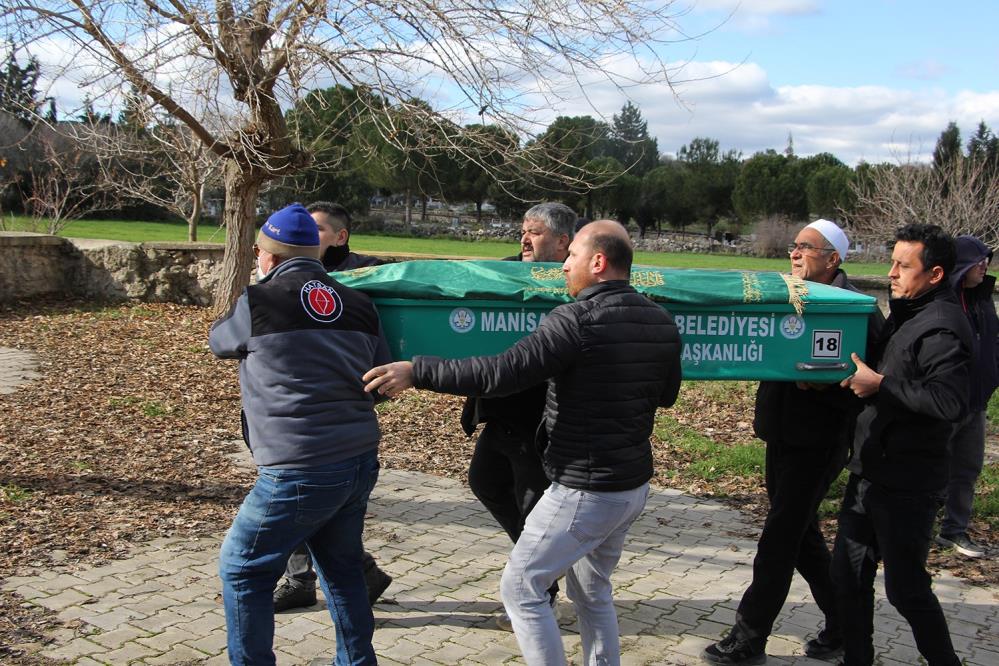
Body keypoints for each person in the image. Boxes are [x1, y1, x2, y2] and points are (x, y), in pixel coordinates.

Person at [363, 220, 683, 665]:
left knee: (521, 587)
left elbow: (502, 374)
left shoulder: (576, 319)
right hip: (631, 486)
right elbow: (665, 395)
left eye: (572, 257)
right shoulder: (661, 319)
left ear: (598, 262)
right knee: (593, 592)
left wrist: (418, 371)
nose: (565, 266)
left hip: (584, 488)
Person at [210, 203, 390, 665]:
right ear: (318, 250)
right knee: (343, 567)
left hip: (297, 466)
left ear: (264, 255)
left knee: (242, 568)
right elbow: (381, 382)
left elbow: (220, 343)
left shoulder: (259, 300)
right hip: (357, 458)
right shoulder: (358, 301)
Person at [703, 219, 884, 665]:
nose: (795, 254)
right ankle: (843, 625)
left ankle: (749, 638)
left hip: (819, 443)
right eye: (793, 247)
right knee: (801, 537)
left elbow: (871, 384)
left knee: (779, 540)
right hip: (780, 435)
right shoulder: (790, 296)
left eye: (805, 248)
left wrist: (831, 388)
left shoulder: (857, 310)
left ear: (833, 259)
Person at [834, 223, 972, 666]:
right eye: (891, 262)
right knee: (848, 577)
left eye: (902, 265)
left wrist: (881, 385)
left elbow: (948, 401)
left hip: (909, 484)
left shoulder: (943, 327)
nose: (890, 273)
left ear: (934, 274)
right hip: (870, 471)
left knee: (906, 589)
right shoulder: (907, 311)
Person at [273, 201, 392, 612]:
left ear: (340, 237)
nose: (307, 235)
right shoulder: (283, 282)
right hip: (294, 410)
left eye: (318, 229)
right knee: (315, 506)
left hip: (340, 416)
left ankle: (345, 578)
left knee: (312, 504)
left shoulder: (367, 276)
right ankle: (318, 578)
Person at [462, 202, 575, 630]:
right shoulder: (505, 272)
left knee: (532, 507)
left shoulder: (575, 280)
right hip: (501, 409)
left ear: (563, 242)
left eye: (536, 233)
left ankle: (539, 592)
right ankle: (544, 565)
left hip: (543, 419)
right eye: (523, 232)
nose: (525, 240)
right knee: (485, 482)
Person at [936, 234, 998, 558]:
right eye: (979, 259)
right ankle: (915, 527)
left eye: (987, 258)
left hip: (977, 404)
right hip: (947, 404)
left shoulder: (983, 299)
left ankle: (954, 531)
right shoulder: (943, 301)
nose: (985, 264)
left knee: (968, 468)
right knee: (933, 467)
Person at [308, 201, 384, 271]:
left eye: (316, 228)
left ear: (341, 237)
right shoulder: (298, 270)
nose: (305, 234)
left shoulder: (371, 270)